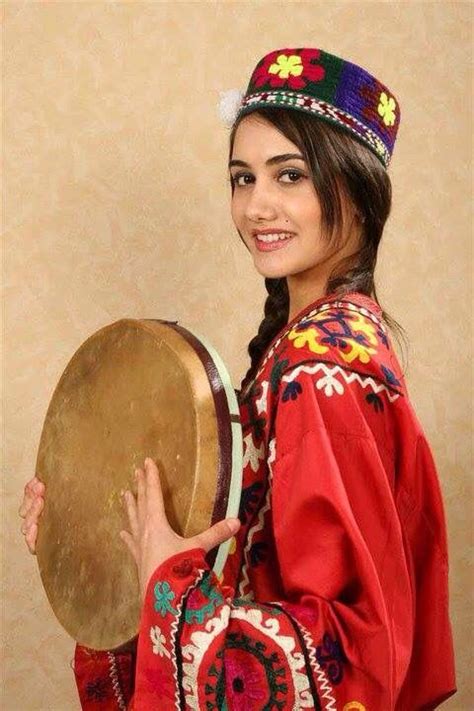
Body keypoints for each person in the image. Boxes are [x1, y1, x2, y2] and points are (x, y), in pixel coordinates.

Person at [19, 46, 456, 710]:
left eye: (290, 176)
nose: (257, 207)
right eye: (242, 178)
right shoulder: (326, 344)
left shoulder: (319, 365)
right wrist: (88, 539)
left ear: (360, 194)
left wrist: (166, 579)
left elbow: (347, 658)